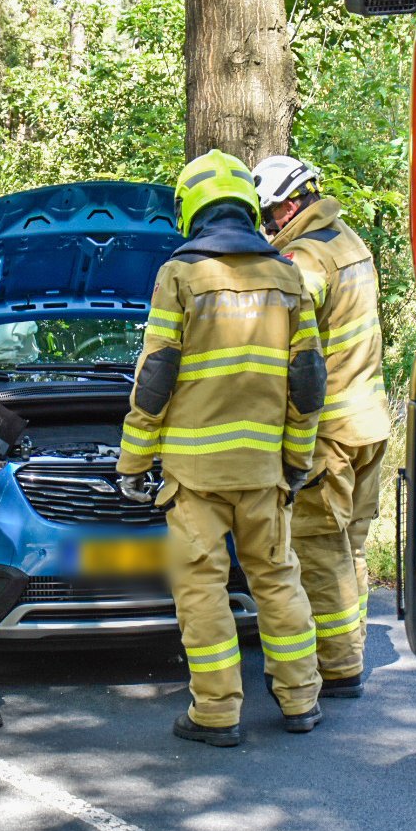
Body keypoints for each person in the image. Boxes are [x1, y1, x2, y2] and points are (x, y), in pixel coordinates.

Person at [116, 150, 328, 748]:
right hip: (263, 468)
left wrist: (133, 460)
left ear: (192, 208)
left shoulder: (180, 276)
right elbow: (309, 380)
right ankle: (301, 700)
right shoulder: (286, 275)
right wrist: (296, 457)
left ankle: (216, 714)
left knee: (202, 589)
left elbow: (156, 377)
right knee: (278, 580)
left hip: (195, 473)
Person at [252, 155, 391, 698]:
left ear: (289, 204)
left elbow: (285, 337)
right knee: (350, 545)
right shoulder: (349, 241)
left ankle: (336, 666)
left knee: (318, 548)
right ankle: (348, 642)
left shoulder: (304, 257)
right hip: (369, 420)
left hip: (329, 430)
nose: (266, 228)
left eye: (267, 216)